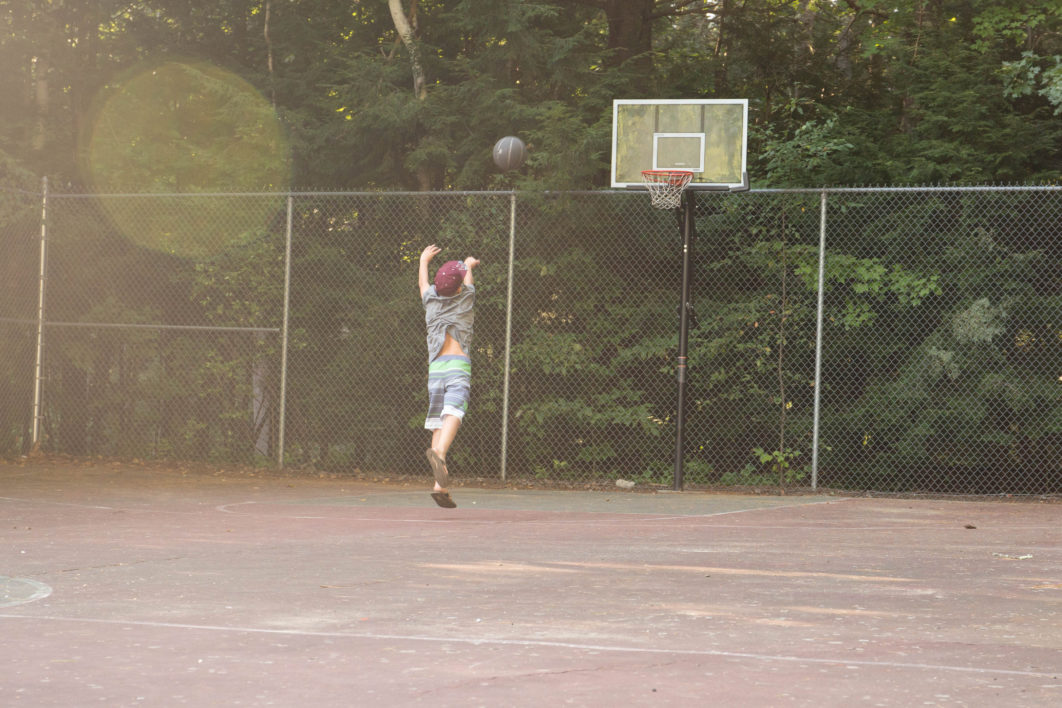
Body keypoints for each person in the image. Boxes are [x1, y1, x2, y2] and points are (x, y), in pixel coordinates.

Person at [418, 245, 479, 508]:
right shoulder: (465, 299)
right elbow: (467, 283)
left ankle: (439, 486)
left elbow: (423, 284)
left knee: (437, 421)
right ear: (457, 289)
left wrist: (422, 261)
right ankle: (440, 453)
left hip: (436, 369)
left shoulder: (430, 301)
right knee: (455, 409)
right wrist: (469, 265)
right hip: (457, 365)